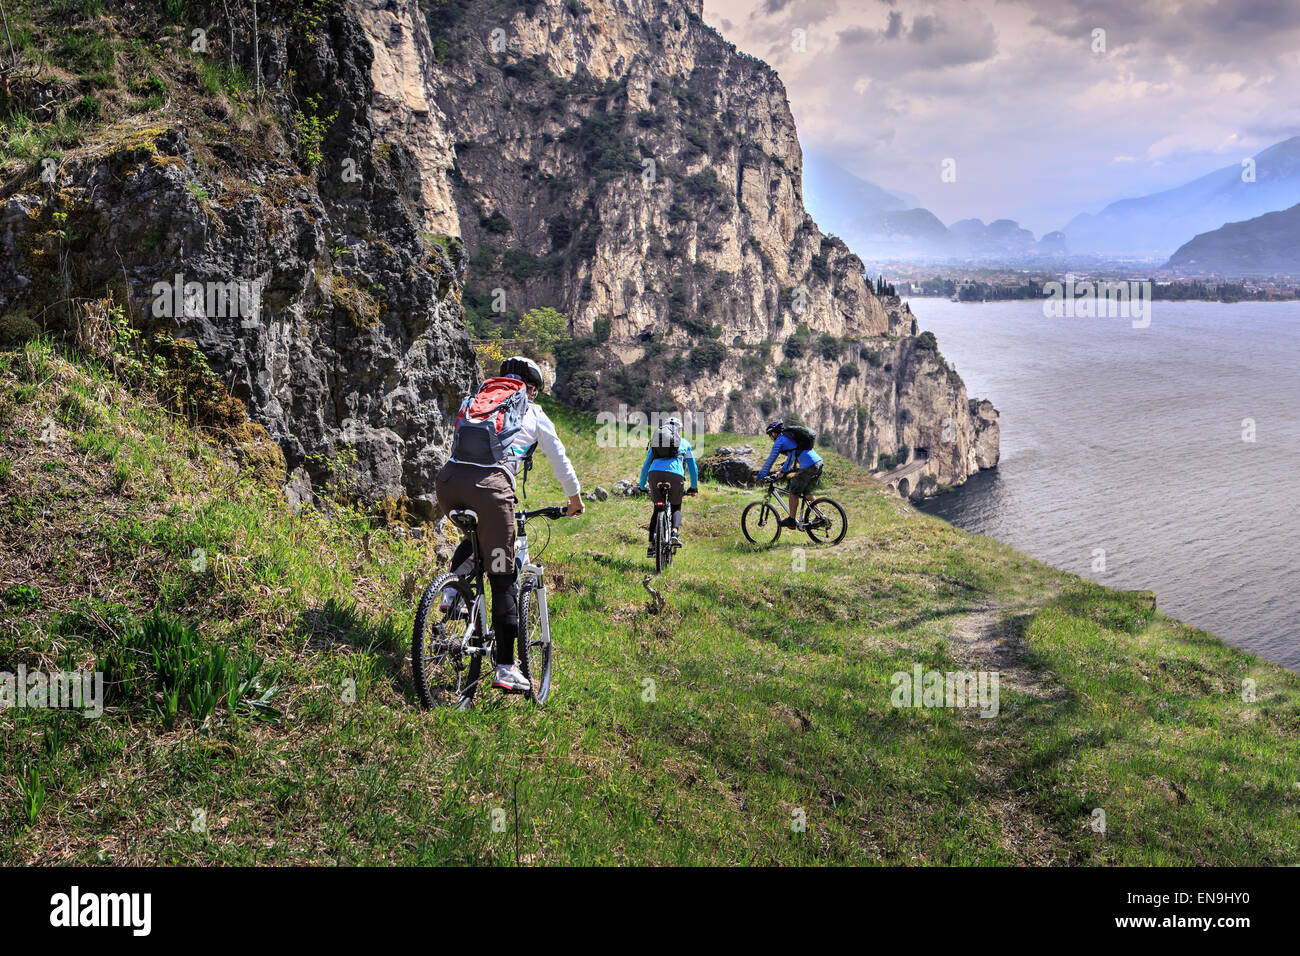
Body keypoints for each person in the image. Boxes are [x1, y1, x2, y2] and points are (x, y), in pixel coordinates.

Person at [435, 356, 584, 693]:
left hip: (448, 485)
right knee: (503, 576)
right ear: (533, 388)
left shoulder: (477, 401)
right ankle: (505, 668)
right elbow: (559, 457)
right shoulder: (533, 411)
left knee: (476, 537)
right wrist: (574, 498)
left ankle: (451, 592)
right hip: (491, 492)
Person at [637, 417, 698, 556]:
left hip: (655, 475)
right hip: (675, 477)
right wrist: (693, 487)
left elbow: (646, 465)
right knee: (676, 506)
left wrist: (641, 485)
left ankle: (652, 546)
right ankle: (674, 532)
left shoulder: (656, 442)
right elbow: (693, 468)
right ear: (679, 430)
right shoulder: (685, 443)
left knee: (657, 507)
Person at [756, 420, 823, 528]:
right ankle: (820, 517)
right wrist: (782, 472)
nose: (770, 438)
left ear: (773, 433)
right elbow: (792, 456)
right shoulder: (789, 438)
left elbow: (770, 460)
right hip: (818, 463)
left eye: (770, 435)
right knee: (807, 492)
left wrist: (761, 476)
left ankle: (791, 520)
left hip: (809, 466)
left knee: (793, 491)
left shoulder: (780, 441)